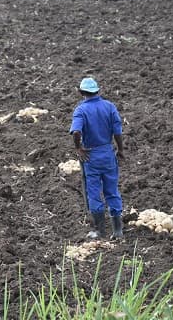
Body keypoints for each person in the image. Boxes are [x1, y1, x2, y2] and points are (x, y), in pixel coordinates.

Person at [69, 77, 125, 239]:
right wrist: (120, 150)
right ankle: (117, 230)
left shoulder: (80, 110)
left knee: (93, 192)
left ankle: (100, 230)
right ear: (98, 91)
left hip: (90, 157)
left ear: (81, 92)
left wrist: (78, 148)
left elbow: (77, 131)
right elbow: (117, 132)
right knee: (112, 191)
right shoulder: (109, 107)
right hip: (107, 153)